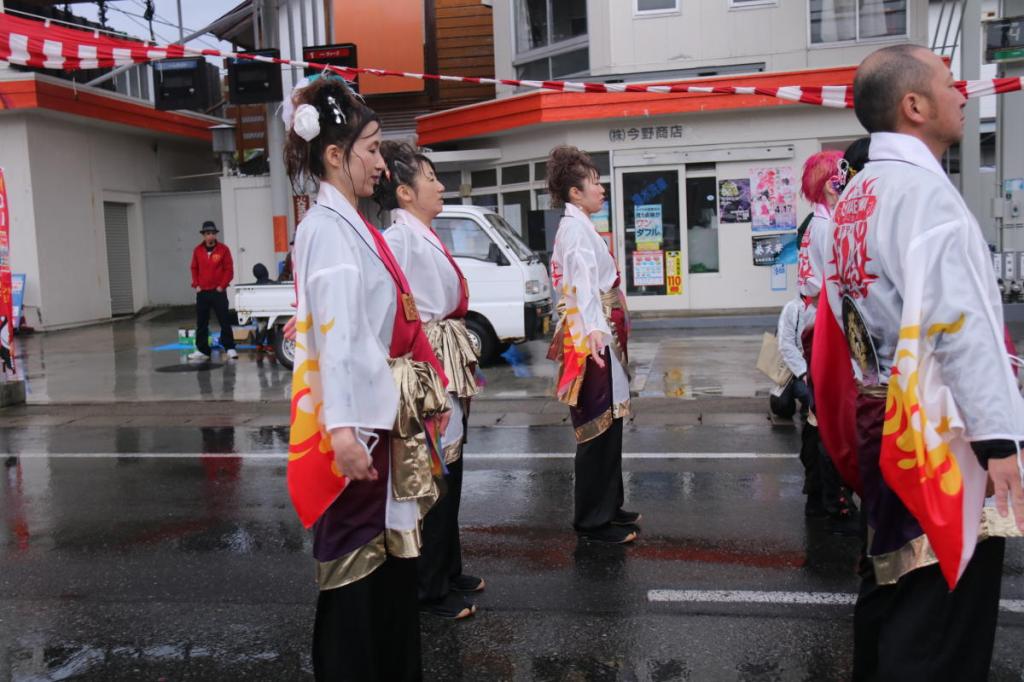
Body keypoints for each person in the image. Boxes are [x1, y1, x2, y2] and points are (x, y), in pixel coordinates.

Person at [819, 45, 1024, 680]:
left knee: (892, 589)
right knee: (943, 615)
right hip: (942, 430)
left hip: (883, 416)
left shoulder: (857, 197)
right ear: (914, 105)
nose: (962, 93)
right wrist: (1000, 440)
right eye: (948, 83)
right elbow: (961, 326)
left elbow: (843, 317)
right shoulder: (922, 195)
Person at [283, 76, 450, 681]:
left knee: (387, 564)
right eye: (372, 148)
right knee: (357, 567)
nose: (381, 163)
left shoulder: (346, 222)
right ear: (335, 155)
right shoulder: (326, 228)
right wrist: (345, 431)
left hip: (380, 417)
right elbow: (338, 334)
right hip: (362, 428)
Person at [374, 141, 485, 621]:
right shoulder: (399, 240)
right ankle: (429, 587)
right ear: (403, 192)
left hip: (444, 352)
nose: (441, 186)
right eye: (431, 178)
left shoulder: (420, 232)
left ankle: (447, 567)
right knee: (436, 470)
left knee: (451, 464)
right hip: (427, 361)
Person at [547, 145, 639, 544]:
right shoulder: (575, 230)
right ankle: (592, 519)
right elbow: (582, 290)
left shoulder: (580, 225)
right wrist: (595, 339)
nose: (602, 190)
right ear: (574, 193)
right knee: (596, 427)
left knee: (612, 419)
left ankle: (610, 504)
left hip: (600, 329)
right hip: (592, 335)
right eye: (595, 183)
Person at [795, 151, 859, 531]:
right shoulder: (826, 226)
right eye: (840, 176)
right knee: (829, 416)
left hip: (818, 320)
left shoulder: (819, 222)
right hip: (825, 323)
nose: (845, 181)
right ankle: (833, 500)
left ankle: (819, 492)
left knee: (820, 415)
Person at [188, 221, 237, 361]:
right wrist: (196, 284)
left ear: (216, 235)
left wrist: (222, 286)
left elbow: (229, 270)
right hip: (202, 292)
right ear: (203, 235)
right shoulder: (197, 250)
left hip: (218, 291)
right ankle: (203, 350)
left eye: (213, 234)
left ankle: (229, 347)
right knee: (202, 322)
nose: (210, 236)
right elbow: (194, 268)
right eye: (208, 233)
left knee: (224, 320)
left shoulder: (223, 250)